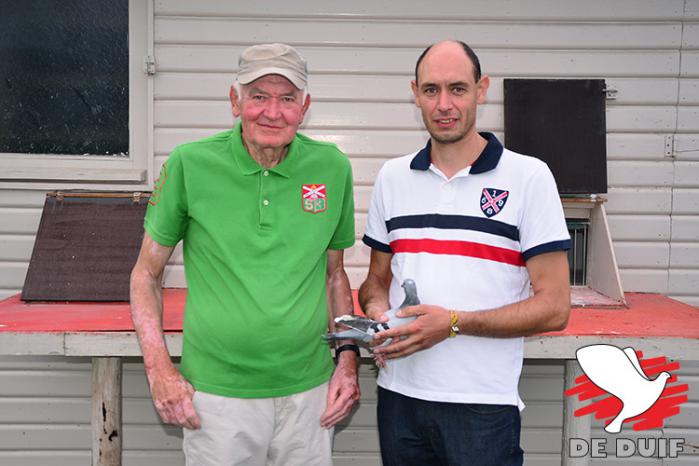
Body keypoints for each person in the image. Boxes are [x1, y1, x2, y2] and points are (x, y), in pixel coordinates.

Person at [130, 43, 360, 466]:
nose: (273, 112)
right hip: (217, 396)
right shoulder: (190, 164)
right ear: (235, 101)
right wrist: (160, 372)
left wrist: (347, 362)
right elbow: (145, 274)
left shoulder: (332, 168)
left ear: (304, 107)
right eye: (259, 96)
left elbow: (335, 277)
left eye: (287, 98)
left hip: (309, 394)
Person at [358, 40, 572, 466]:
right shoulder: (392, 177)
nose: (444, 104)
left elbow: (555, 308)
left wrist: (452, 324)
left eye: (457, 88)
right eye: (431, 89)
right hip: (399, 398)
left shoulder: (528, 177)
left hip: (481, 406)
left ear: (481, 89)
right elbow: (376, 280)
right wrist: (378, 315)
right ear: (415, 93)